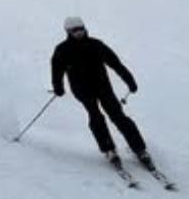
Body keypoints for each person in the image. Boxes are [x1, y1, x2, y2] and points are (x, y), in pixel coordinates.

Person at [51, 17, 150, 165]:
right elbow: (56, 70)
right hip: (82, 89)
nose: (79, 32)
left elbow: (115, 63)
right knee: (95, 116)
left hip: (102, 86)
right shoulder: (62, 50)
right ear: (68, 32)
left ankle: (139, 149)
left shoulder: (95, 45)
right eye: (75, 30)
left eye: (81, 29)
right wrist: (58, 87)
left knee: (118, 115)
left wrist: (129, 80)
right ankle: (108, 149)